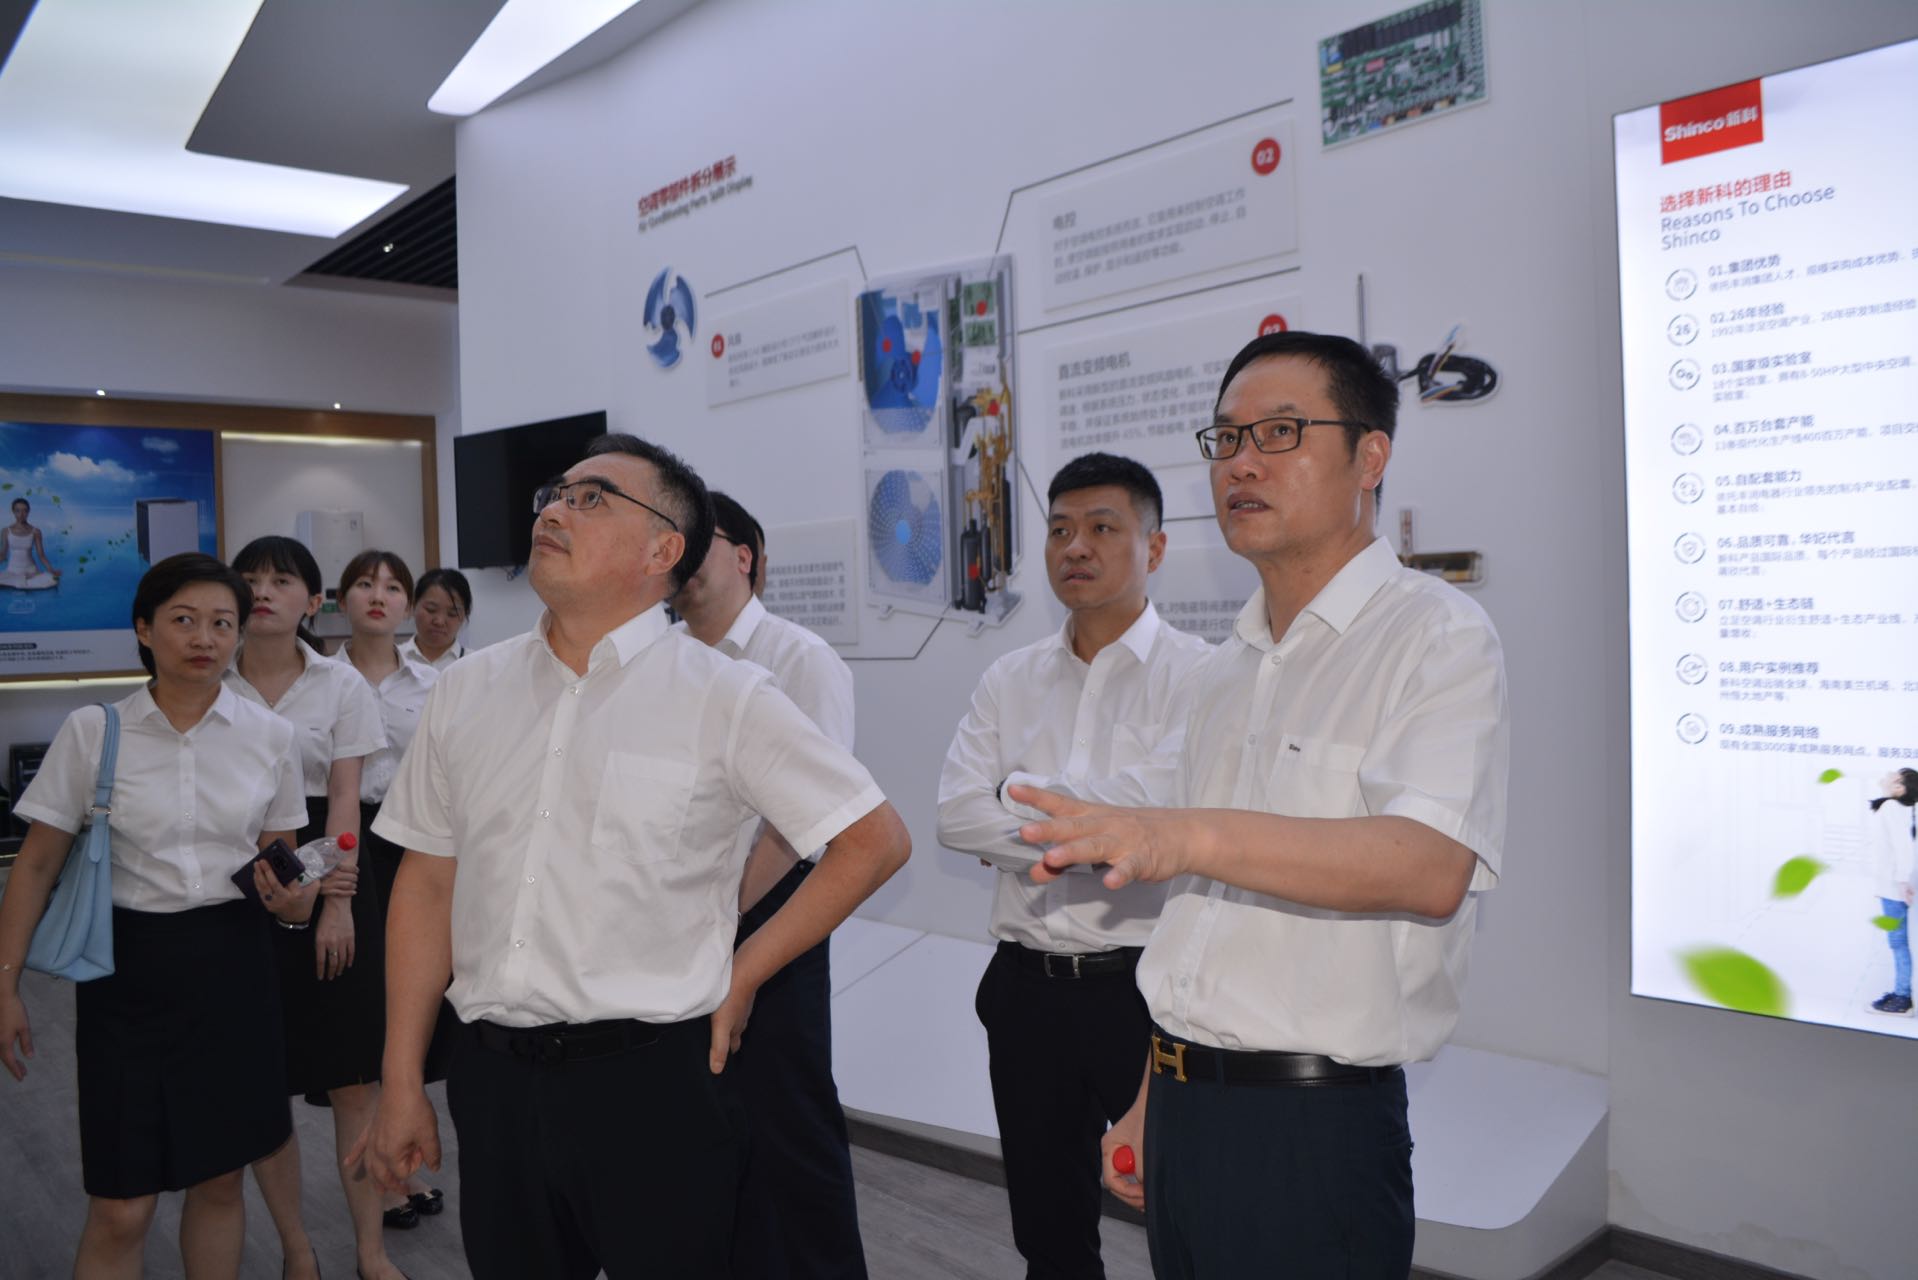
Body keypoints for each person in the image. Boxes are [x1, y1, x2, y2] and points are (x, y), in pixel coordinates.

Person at [352, 434, 912, 1280]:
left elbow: (873, 841)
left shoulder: (724, 693)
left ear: (662, 550)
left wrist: (746, 972)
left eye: (591, 499)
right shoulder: (467, 689)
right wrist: (401, 1079)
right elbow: (428, 883)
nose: (555, 509)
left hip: (654, 1086)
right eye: (555, 493)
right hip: (494, 1081)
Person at [1014, 331, 1510, 1278]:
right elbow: (1204, 921)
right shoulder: (1224, 671)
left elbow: (1429, 865)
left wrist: (1183, 835)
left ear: (1370, 456)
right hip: (1184, 1107)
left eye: (1280, 433)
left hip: (1313, 1127)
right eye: (1226, 438)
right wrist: (1152, 1097)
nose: (1241, 462)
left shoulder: (1437, 636)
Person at [0, 553, 318, 1280]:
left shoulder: (270, 735)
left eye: (222, 624)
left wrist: (298, 906)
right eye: (183, 620)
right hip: (128, 973)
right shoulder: (95, 730)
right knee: (122, 1203)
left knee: (220, 1179)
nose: (204, 638)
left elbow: (281, 863)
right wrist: (5, 982)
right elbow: (37, 865)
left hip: (234, 969)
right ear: (144, 629)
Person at [937, 452, 1211, 1280]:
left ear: (1154, 547)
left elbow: (1169, 813)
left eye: (1101, 527)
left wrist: (1020, 807)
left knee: (1184, 1215)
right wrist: (1100, 829)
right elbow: (955, 814)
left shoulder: (1203, 678)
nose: (1076, 547)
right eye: (1060, 530)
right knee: (1049, 1232)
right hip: (1026, 991)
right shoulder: (1008, 678)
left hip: (1144, 993)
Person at [672, 490, 866, 1280]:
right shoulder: (664, 661)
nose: (681, 555)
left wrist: (726, 916)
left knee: (790, 1126)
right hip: (683, 917)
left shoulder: (799, 658)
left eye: (699, 540)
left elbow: (807, 824)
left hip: (774, 911)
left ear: (744, 555)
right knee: (710, 1128)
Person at [225, 535, 396, 1280]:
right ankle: (298, 1248)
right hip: (235, 875)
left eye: (281, 580)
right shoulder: (211, 677)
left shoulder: (339, 685)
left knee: (353, 1075)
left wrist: (335, 905)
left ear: (313, 600)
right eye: (250, 579)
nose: (263, 591)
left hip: (331, 861)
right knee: (260, 1079)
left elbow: (347, 805)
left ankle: (371, 1250)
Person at [335, 549, 452, 1228]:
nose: (377, 596)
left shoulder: (435, 684)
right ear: (341, 599)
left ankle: (397, 1158)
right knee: (357, 1015)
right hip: (345, 841)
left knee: (407, 1001)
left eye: (391, 587)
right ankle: (381, 1175)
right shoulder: (322, 680)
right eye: (363, 584)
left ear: (407, 604)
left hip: (414, 845)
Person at [1866, 768, 1918, 1016]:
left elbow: (1903, 847)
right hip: (1893, 886)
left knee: (1898, 943)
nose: (1887, 774)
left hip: (1894, 888)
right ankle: (1902, 993)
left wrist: (1902, 882)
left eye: (1894, 775)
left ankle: (1902, 997)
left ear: (1900, 787)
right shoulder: (1896, 807)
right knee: (1899, 942)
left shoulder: (1891, 808)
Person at [399, 568, 471, 671]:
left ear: (464, 615)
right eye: (431, 610)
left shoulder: (475, 663)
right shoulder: (394, 658)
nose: (439, 621)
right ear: (414, 605)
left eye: (452, 614)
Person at [1, 496, 61, 589]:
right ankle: (19, 580)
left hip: (31, 571)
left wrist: (51, 570)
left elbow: (41, 555)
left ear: (28, 512)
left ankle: (24, 580)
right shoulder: (6, 531)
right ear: (13, 511)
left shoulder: (36, 531)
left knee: (52, 579)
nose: (21, 514)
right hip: (12, 571)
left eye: (24, 511)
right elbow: (3, 555)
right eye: (18, 510)